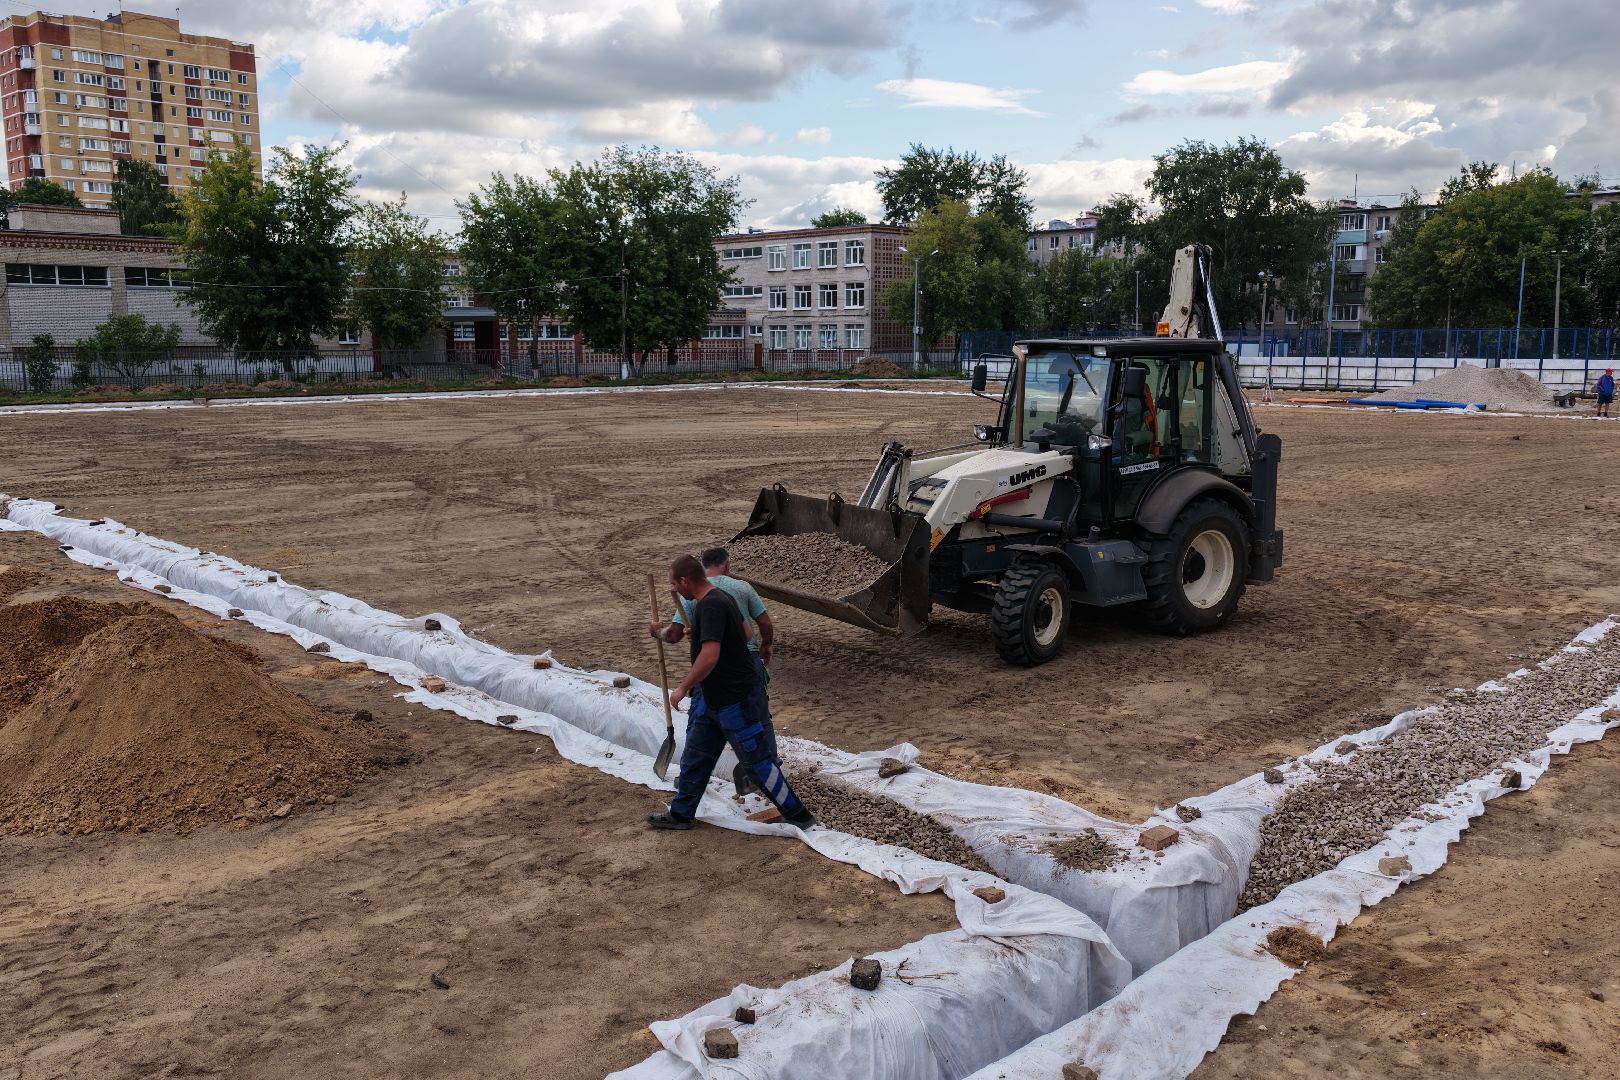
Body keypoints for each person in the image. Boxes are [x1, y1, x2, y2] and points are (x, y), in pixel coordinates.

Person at [646, 555, 814, 831]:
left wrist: (684, 687)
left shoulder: (711, 605)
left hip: (735, 700)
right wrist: (702, 632)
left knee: (758, 764)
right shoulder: (720, 599)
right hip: (712, 700)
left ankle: (799, 815)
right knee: (696, 757)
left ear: (686, 581)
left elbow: (710, 656)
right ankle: (681, 814)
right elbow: (746, 634)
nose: (673, 590)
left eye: (674, 584)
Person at [666, 547, 777, 793]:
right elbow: (764, 622)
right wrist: (766, 645)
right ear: (727, 566)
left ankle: (689, 777)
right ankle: (769, 774)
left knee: (700, 721)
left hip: (711, 669)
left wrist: (658, 632)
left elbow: (673, 634)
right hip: (746, 663)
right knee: (759, 718)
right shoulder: (741, 588)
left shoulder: (693, 594)